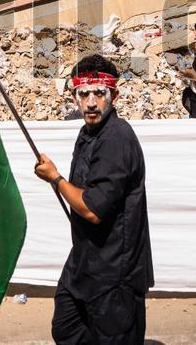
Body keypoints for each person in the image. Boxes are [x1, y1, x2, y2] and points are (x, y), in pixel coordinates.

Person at [34, 54, 154, 344]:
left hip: (115, 271)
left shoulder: (117, 138)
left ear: (114, 95)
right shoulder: (87, 134)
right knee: (67, 327)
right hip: (84, 261)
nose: (90, 102)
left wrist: (55, 178)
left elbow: (92, 209)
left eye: (99, 94)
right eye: (83, 93)